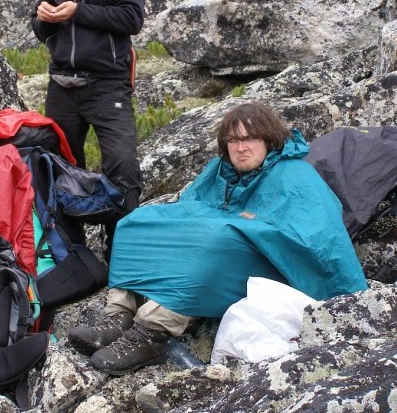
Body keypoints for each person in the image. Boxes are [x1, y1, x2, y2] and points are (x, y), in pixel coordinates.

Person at [68, 102, 368, 375]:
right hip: (220, 248)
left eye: (250, 138)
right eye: (233, 140)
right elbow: (190, 207)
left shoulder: (294, 174)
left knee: (218, 240)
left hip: (269, 265)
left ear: (269, 140)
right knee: (134, 223)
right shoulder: (220, 170)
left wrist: (244, 228)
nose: (241, 148)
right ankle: (118, 315)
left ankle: (151, 333)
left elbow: (318, 236)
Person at [30, 0, 145, 259]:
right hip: (61, 86)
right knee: (59, 168)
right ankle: (72, 255)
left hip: (107, 84)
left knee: (122, 166)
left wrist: (78, 11)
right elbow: (41, 30)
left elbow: (132, 18)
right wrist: (44, 20)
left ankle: (121, 253)